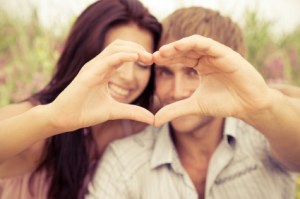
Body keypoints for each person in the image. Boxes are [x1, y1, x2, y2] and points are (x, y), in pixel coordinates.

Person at [86, 6, 299, 199]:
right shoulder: (124, 161)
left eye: (192, 72)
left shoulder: (266, 137)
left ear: (232, 73)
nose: (177, 91)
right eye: (165, 73)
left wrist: (263, 103)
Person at [0, 0, 161, 199]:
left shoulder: (138, 123)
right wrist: (52, 120)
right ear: (83, 54)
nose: (128, 76)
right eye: (115, 58)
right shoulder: (37, 119)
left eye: (142, 64)